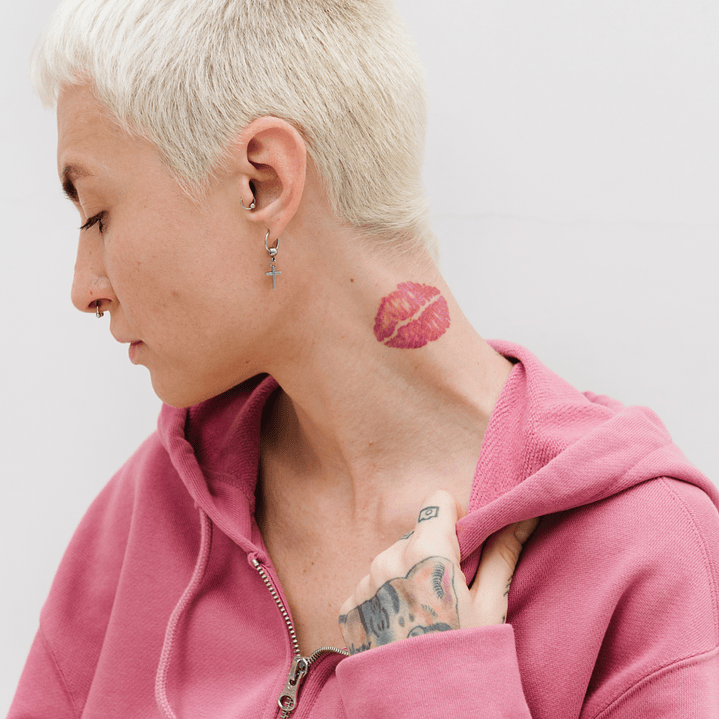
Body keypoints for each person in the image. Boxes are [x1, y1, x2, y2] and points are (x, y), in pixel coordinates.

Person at [10, 0, 719, 716]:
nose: (84, 289)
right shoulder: (152, 507)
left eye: (97, 214)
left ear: (262, 182)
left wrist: (436, 692)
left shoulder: (641, 551)